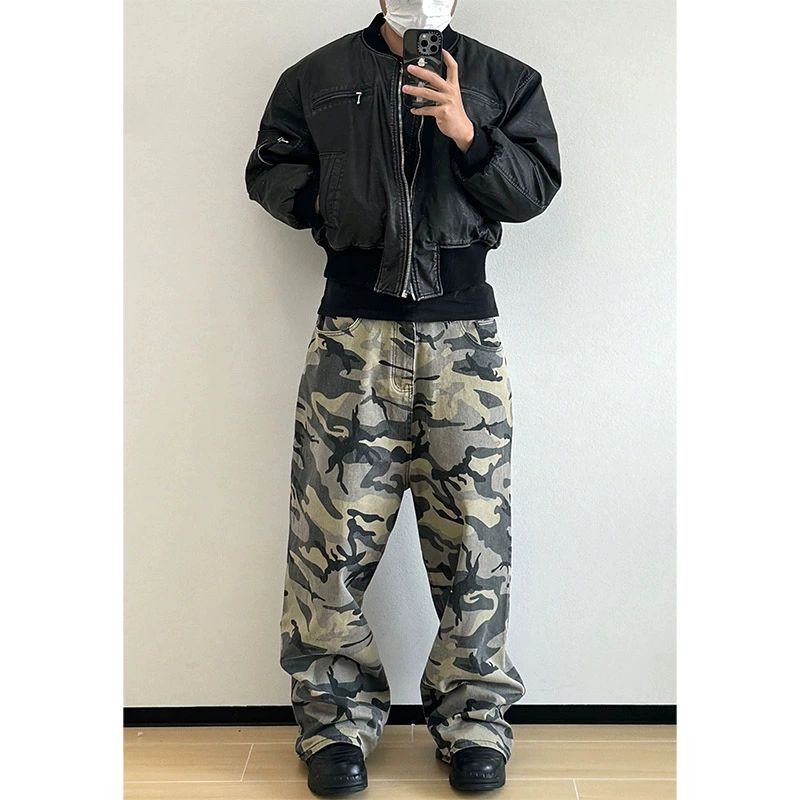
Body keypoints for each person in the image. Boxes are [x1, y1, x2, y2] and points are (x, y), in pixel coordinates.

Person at [244, 1, 561, 794]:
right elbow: (270, 170)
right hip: (352, 335)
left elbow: (534, 190)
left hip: (465, 344)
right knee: (330, 537)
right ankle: (334, 724)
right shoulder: (316, 77)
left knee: (475, 541)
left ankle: (474, 721)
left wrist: (468, 133)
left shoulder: (505, 80)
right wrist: (333, 202)